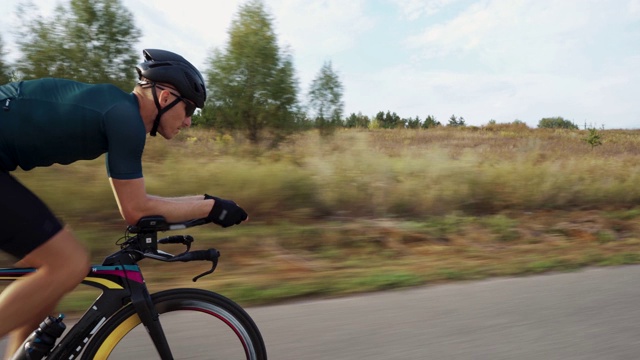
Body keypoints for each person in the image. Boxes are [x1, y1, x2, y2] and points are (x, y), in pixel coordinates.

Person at [0, 49, 248, 357]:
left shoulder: (120, 112)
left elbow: (138, 203)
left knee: (48, 281)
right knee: (68, 264)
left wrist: (207, 203)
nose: (188, 123)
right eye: (190, 110)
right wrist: (212, 208)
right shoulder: (125, 117)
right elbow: (136, 210)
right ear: (167, 97)